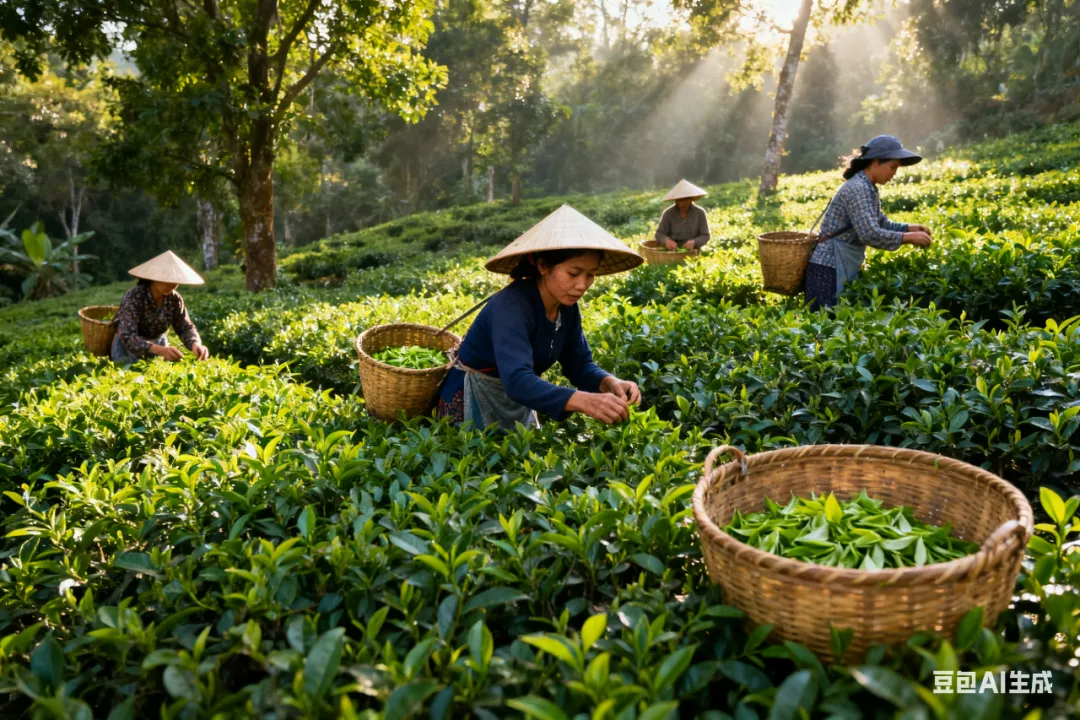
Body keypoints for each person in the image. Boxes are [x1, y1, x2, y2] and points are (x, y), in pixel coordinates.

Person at [437, 204, 644, 430]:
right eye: (574, 273)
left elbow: (579, 364)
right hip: (474, 397)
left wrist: (609, 382)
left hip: (517, 400)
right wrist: (584, 401)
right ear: (543, 266)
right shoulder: (511, 307)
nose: (582, 285)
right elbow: (517, 381)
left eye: (590, 275)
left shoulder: (567, 307)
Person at [804, 135, 934, 310]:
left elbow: (880, 223)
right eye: (892, 167)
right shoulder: (859, 189)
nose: (894, 173)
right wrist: (909, 237)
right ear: (875, 163)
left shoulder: (867, 187)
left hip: (838, 265)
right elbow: (870, 234)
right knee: (824, 327)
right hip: (828, 270)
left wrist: (909, 228)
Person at [112, 250, 211, 364]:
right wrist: (160, 350)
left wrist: (195, 344)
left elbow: (185, 327)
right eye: (166, 278)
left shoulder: (174, 299)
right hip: (128, 350)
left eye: (175, 280)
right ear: (153, 278)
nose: (172, 284)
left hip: (159, 346)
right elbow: (127, 335)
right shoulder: (135, 296)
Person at [654, 179, 711, 251]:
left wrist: (694, 242)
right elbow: (659, 234)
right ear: (675, 200)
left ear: (691, 199)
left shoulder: (700, 213)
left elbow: (705, 235)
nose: (682, 203)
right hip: (672, 251)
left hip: (693, 251)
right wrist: (666, 241)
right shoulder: (668, 213)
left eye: (685, 200)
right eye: (680, 200)